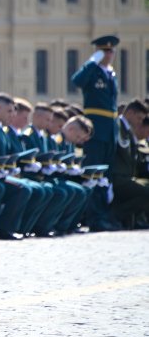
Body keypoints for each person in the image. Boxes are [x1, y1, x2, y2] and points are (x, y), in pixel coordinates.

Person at [70, 35, 120, 231]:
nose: (109, 55)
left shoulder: (110, 74)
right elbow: (77, 80)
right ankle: (94, 217)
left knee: (105, 177)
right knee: (94, 173)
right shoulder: (93, 71)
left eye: (111, 51)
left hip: (109, 131)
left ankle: (104, 214)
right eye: (105, 51)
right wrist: (92, 62)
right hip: (96, 130)